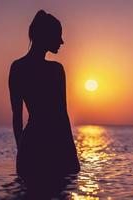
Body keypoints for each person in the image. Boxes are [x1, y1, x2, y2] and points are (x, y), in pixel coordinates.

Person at [8, 10, 80, 182]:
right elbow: (62, 115)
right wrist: (72, 155)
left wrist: (21, 150)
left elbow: (17, 117)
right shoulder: (55, 70)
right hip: (54, 146)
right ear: (46, 36)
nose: (62, 41)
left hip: (30, 145)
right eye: (58, 35)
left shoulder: (17, 67)